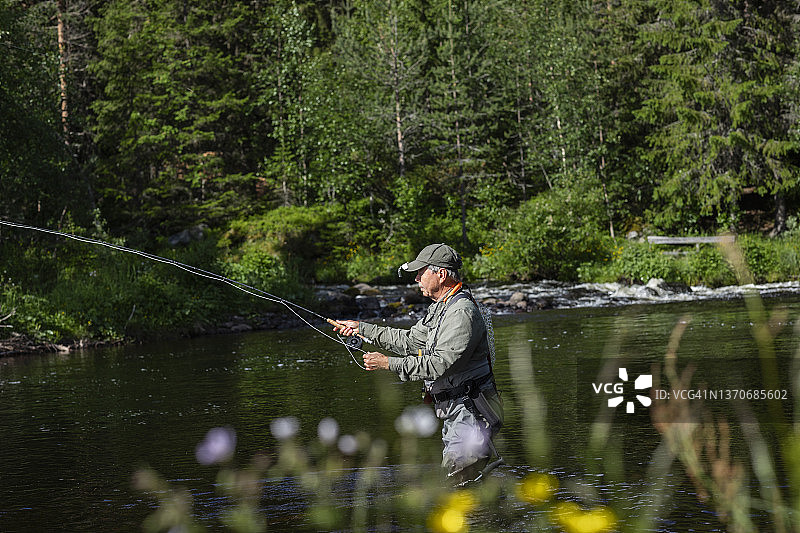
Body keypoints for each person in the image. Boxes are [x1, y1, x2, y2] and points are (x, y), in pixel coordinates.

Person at [333, 243, 503, 484]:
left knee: (458, 486)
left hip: (471, 412)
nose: (416, 278)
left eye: (421, 272)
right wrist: (361, 328)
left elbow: (440, 364)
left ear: (441, 274)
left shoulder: (461, 313)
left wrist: (388, 364)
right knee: (464, 486)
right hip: (457, 411)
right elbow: (410, 341)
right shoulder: (441, 308)